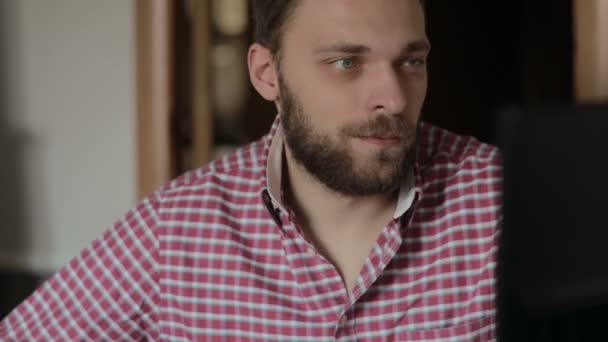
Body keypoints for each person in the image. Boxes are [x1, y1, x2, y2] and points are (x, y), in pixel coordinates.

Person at [0, 0, 502, 340]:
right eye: (347, 63)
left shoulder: (503, 201)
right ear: (268, 75)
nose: (393, 98)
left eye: (411, 62)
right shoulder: (176, 229)